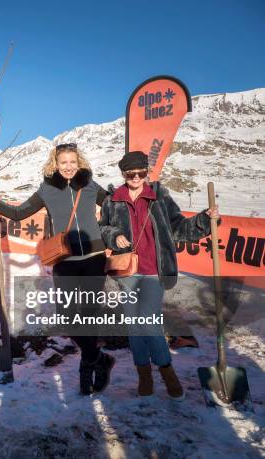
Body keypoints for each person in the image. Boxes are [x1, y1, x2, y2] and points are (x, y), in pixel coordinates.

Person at [0, 143, 115, 395]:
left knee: (88, 317)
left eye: (73, 162)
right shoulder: (47, 189)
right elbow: (18, 213)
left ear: (79, 162)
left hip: (94, 258)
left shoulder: (90, 185)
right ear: (55, 163)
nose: (69, 167)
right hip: (64, 260)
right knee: (68, 317)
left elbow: (114, 206)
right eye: (64, 162)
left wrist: (107, 228)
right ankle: (99, 358)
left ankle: (87, 370)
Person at [99, 151, 219, 401]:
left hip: (154, 271)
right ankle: (144, 375)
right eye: (130, 174)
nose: (136, 178)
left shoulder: (159, 197)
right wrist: (113, 236)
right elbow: (103, 227)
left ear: (147, 172)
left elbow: (178, 227)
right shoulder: (113, 199)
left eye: (141, 173)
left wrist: (204, 220)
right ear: (124, 174)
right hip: (127, 272)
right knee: (134, 326)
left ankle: (167, 372)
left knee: (149, 322)